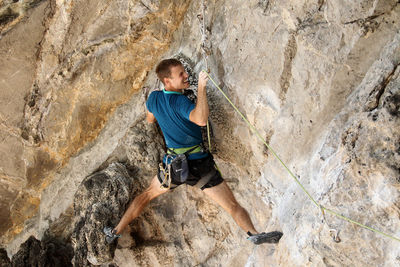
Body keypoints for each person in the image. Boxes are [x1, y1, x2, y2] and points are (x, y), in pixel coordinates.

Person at [104, 58, 282, 245]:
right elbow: (201, 120)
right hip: (199, 165)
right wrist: (202, 87)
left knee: (147, 195)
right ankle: (253, 233)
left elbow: (150, 119)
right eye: (180, 74)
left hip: (174, 166)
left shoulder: (154, 99)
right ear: (167, 81)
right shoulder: (181, 102)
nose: (186, 75)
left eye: (184, 72)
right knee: (231, 205)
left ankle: (115, 232)